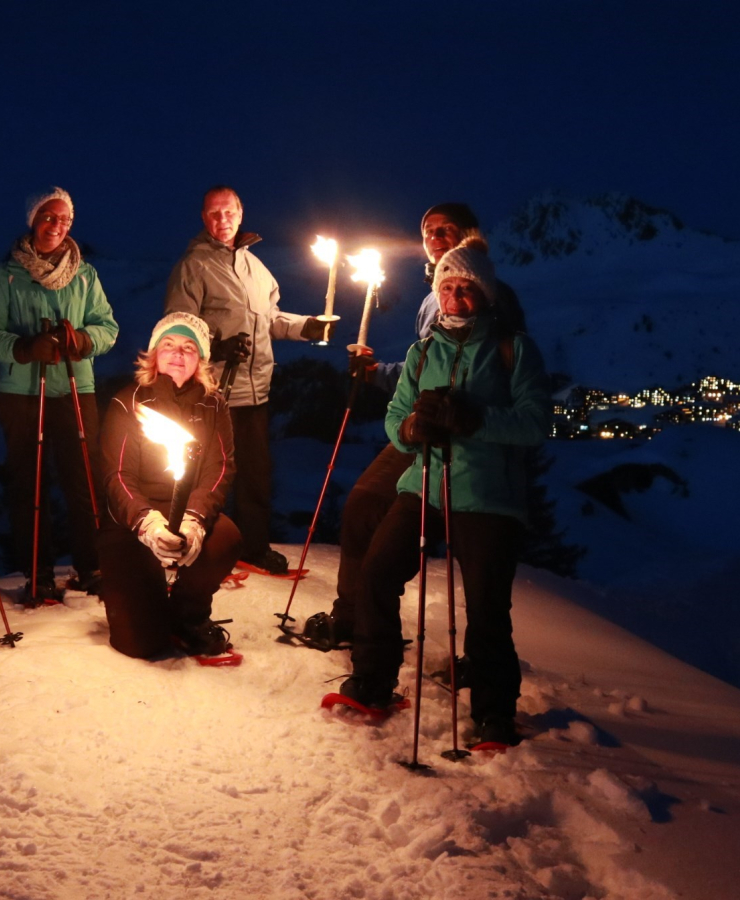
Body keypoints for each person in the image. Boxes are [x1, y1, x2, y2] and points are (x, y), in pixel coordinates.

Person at [336, 237, 550, 747]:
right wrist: (410, 429)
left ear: (485, 295)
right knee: (378, 571)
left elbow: (536, 422)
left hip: (487, 495)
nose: (455, 298)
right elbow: (394, 416)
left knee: (486, 608)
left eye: (466, 289)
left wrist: (473, 420)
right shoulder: (423, 350)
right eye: (447, 288)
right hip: (425, 484)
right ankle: (374, 678)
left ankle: (494, 712)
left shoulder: (511, 349)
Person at [306, 203, 526, 649]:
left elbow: (501, 371)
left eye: (446, 229)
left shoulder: (491, 294)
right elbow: (421, 367)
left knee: (474, 560)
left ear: (469, 233)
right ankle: (353, 617)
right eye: (428, 230)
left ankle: (480, 661)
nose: (435, 236)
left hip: (469, 440)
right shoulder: (431, 299)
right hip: (422, 430)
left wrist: (471, 416)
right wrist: (375, 374)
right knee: (364, 504)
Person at [164, 185, 330, 575]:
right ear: (204, 218)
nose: (222, 220)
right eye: (213, 213)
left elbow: (269, 319)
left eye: (228, 212)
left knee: (256, 474)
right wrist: (214, 348)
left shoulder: (256, 269)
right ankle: (192, 547)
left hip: (255, 389)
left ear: (241, 215)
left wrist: (308, 327)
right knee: (208, 475)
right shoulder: (193, 266)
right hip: (212, 391)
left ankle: (253, 546)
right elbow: (176, 328)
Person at [0, 187, 120, 603]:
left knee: (83, 478)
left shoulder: (85, 275)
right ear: (33, 218)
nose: (57, 226)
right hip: (22, 392)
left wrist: (84, 341)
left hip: (76, 385)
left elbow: (107, 327)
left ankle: (90, 565)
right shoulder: (6, 275)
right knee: (28, 481)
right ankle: (37, 571)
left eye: (64, 219)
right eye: (49, 217)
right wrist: (24, 348)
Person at [97, 313, 244, 659]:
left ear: (201, 360)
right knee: (143, 645)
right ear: (153, 355)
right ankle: (142, 596)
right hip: (131, 521)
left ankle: (187, 614)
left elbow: (219, 469)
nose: (178, 353)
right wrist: (146, 523)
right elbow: (117, 476)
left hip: (187, 506)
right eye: (169, 345)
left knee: (227, 537)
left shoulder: (213, 404)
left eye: (189, 347)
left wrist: (195, 519)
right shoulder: (128, 402)